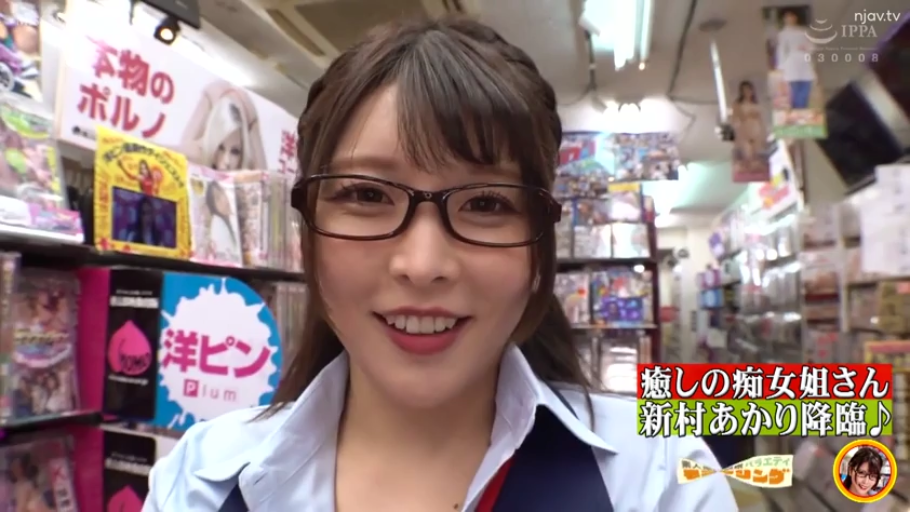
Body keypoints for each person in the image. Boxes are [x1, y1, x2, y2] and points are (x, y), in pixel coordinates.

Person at [144, 16, 735, 511]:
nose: (423, 265)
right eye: (367, 195)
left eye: (486, 204)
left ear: (539, 247)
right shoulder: (200, 482)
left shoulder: (657, 480)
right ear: (308, 232)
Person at [180, 81, 266, 171]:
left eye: (235, 152)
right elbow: (177, 153)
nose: (227, 161)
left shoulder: (251, 118)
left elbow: (264, 175)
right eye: (220, 148)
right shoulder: (210, 95)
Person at [776, 10, 816, 111]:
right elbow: (781, 51)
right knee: (794, 93)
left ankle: (802, 112)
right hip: (791, 65)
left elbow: (812, 46)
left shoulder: (804, 31)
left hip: (805, 63)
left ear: (795, 18)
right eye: (787, 17)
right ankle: (797, 113)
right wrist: (781, 68)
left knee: (805, 92)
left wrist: (806, 47)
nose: (789, 19)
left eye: (791, 16)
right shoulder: (783, 34)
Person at [731, 80, 767, 161]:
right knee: (747, 153)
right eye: (744, 90)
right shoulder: (738, 104)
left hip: (756, 130)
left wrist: (763, 133)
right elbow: (736, 118)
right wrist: (749, 115)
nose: (747, 92)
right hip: (744, 130)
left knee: (756, 154)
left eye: (749, 89)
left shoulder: (756, 103)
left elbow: (760, 120)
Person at [204, 180, 239, 261]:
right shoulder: (217, 223)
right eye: (218, 198)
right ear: (213, 207)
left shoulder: (230, 217)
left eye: (222, 192)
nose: (224, 199)